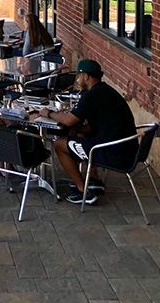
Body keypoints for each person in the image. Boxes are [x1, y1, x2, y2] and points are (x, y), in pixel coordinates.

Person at [37, 58, 138, 205]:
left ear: (86, 76)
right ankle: (94, 180)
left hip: (115, 153)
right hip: (128, 148)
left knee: (60, 144)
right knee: (79, 133)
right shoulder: (106, 91)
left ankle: (83, 191)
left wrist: (49, 113)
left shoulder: (92, 95)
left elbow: (69, 120)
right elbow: (90, 126)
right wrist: (74, 128)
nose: (77, 79)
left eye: (79, 75)